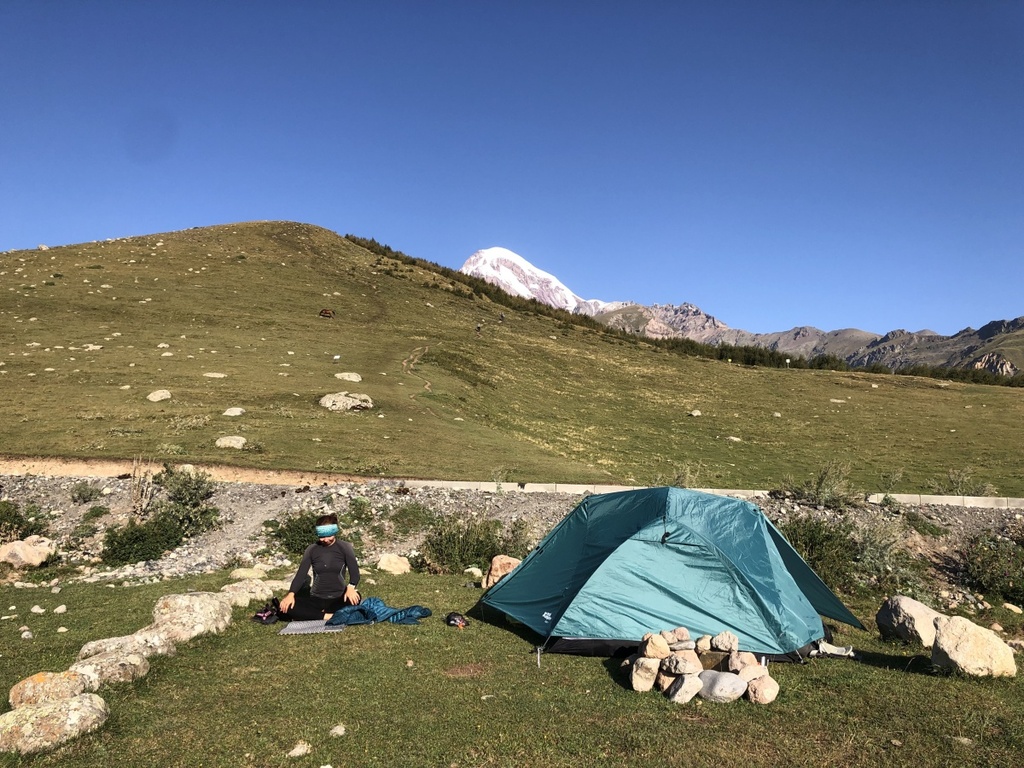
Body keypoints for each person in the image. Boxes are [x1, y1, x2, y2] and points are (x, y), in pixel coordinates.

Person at [277, 513, 361, 621]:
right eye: (322, 536)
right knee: (285, 606)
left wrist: (351, 587)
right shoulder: (311, 549)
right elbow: (300, 575)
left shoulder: (344, 547)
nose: (325, 540)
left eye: (329, 536)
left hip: (338, 597)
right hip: (316, 599)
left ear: (335, 532)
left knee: (356, 597)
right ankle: (329, 616)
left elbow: (355, 574)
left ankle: (316, 615)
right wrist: (291, 594)